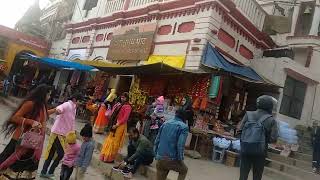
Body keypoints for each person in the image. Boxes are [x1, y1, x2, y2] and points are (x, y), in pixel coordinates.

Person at [0, 84, 55, 180]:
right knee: (8, 166)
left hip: (33, 143)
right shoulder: (30, 104)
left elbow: (43, 115)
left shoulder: (42, 106)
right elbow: (15, 117)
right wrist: (31, 122)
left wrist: (54, 110)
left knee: (25, 169)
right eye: (48, 94)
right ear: (43, 94)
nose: (49, 97)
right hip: (20, 141)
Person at [40, 93, 81, 178]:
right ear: (74, 99)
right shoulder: (67, 104)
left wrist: (72, 134)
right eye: (80, 101)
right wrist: (58, 110)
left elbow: (71, 123)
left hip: (64, 134)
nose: (81, 103)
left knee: (52, 153)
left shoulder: (74, 108)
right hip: (58, 133)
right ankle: (49, 171)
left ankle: (44, 171)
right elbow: (60, 108)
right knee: (60, 154)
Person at [238, 95, 278, 180]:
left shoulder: (248, 114)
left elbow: (239, 131)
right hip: (260, 152)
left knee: (243, 175)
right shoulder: (271, 120)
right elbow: (273, 138)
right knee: (257, 176)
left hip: (246, 149)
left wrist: (247, 139)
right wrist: (263, 139)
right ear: (270, 106)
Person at [154, 109, 189, 180]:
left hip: (160, 157)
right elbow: (180, 145)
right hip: (171, 159)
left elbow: (157, 140)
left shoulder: (165, 123)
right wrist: (180, 159)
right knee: (184, 170)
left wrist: (156, 154)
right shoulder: (183, 127)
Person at [100, 92, 132, 163]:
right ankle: (105, 156)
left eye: (124, 97)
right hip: (114, 124)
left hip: (120, 125)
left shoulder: (128, 106)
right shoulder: (119, 104)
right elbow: (113, 113)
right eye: (122, 97)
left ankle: (110, 158)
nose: (122, 98)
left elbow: (125, 118)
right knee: (110, 139)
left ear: (127, 98)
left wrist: (117, 124)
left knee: (115, 142)